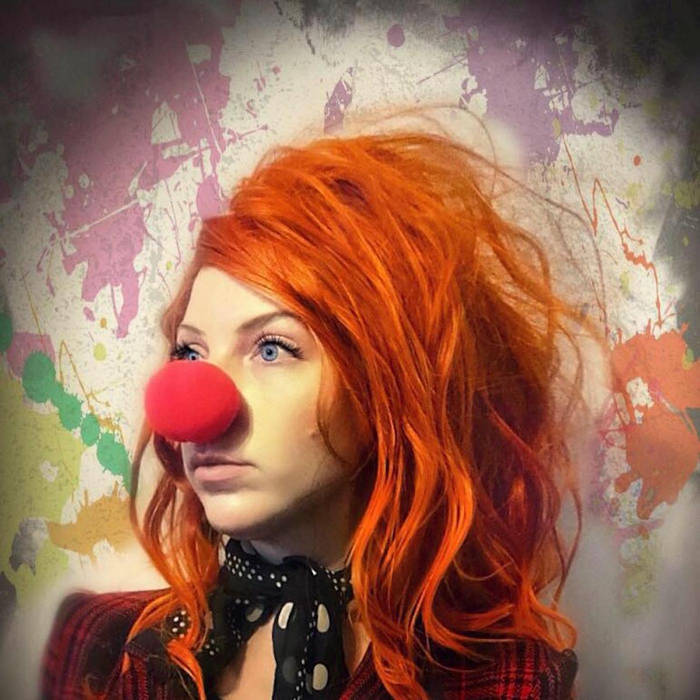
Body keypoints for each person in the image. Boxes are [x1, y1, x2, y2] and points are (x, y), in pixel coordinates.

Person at [40, 120, 602, 699]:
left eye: (271, 348)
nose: (197, 409)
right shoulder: (96, 641)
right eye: (191, 352)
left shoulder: (506, 685)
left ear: (383, 385)